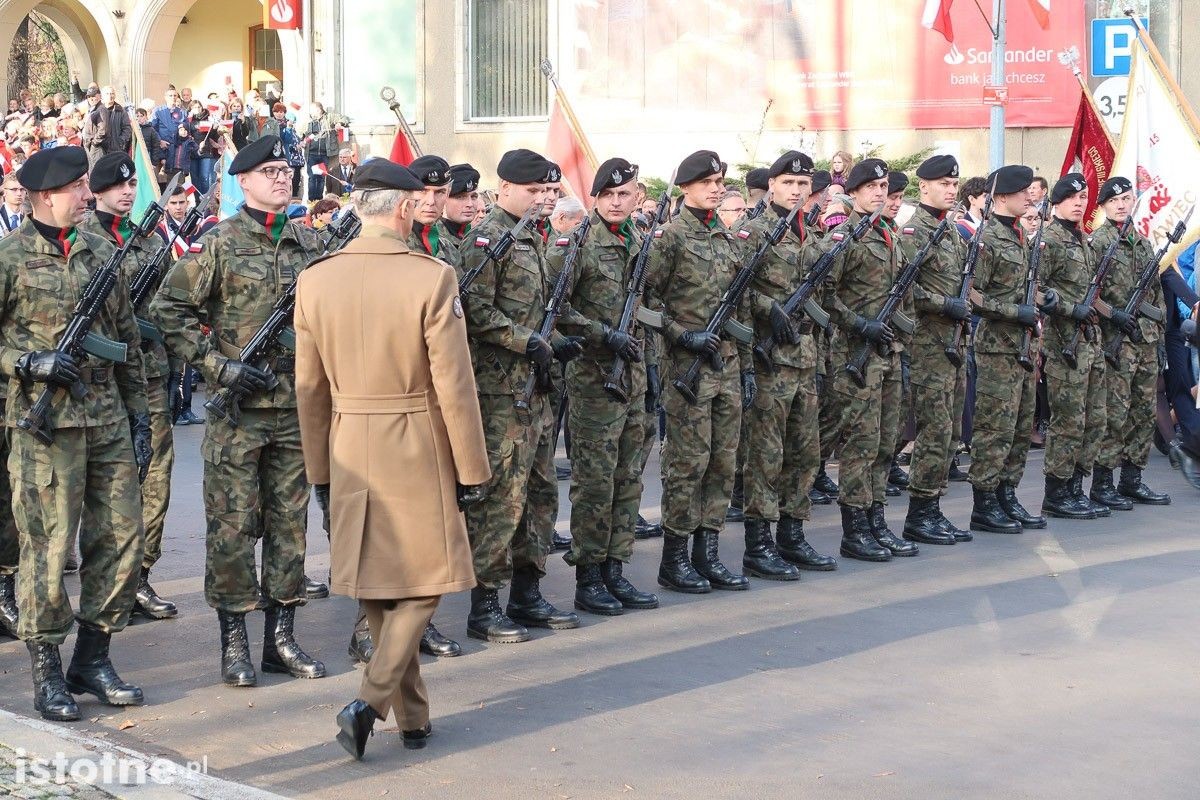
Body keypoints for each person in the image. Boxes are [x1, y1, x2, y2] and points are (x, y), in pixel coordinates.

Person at [291, 158, 490, 760]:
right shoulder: (430, 277)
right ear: (404, 207)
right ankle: (370, 700)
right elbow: (454, 384)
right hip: (415, 439)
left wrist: (319, 470)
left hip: (350, 437)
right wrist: (473, 468)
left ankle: (415, 717)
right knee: (431, 576)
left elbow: (309, 388)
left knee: (381, 586)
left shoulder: (316, 278)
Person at [151, 135, 327, 687]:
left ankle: (281, 637)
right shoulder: (220, 244)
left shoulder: (309, 245)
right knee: (230, 529)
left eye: (287, 170)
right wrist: (217, 367)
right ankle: (234, 640)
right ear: (243, 181)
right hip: (238, 414)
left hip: (295, 409)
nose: (282, 178)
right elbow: (168, 309)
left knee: (289, 527)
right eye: (270, 170)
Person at [1, 146, 150, 721]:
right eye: (77, 188)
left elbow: (127, 340)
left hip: (106, 414)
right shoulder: (10, 257)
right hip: (45, 425)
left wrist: (140, 416)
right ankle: (47, 670)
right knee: (48, 547)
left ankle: (93, 657)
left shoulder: (100, 250)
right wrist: (27, 360)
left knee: (120, 537)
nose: (87, 195)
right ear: (44, 196)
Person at [460, 149, 582, 642]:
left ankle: (527, 591)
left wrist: (553, 342)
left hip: (536, 389)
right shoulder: (487, 239)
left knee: (539, 493)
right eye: (534, 191)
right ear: (505, 187)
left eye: (548, 192)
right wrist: (525, 341)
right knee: (501, 499)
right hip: (499, 391)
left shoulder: (532, 238)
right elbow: (472, 309)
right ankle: (485, 602)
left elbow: (541, 313)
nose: (542, 199)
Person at [550, 157, 660, 615]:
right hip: (595, 377)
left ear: (637, 197)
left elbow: (650, 308)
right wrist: (602, 333)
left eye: (625, 194)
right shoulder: (576, 245)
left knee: (629, 477)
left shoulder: (639, 240)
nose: (617, 202)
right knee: (595, 483)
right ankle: (589, 575)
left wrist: (650, 362)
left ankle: (617, 568)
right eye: (608, 195)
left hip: (634, 375)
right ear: (595, 198)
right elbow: (556, 307)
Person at [644, 150, 751, 592]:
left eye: (720, 181)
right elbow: (646, 303)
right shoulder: (670, 238)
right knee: (688, 463)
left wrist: (744, 365)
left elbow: (739, 306)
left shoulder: (727, 239)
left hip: (725, 365)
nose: (716, 187)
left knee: (723, 463)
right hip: (687, 368)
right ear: (686, 187)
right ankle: (675, 558)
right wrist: (681, 335)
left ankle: (707, 552)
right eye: (707, 181)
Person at [79, 153, 178, 620]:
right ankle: (104, 581)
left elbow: (170, 304)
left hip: (148, 373)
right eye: (116, 186)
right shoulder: (85, 240)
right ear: (94, 191)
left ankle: (140, 575)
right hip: (94, 381)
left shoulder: (153, 241)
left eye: (132, 184)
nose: (126, 192)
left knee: (155, 475)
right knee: (100, 484)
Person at [741, 151, 836, 574]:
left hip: (805, 360)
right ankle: (759, 543)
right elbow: (732, 289)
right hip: (770, 360)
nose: (797, 192)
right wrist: (769, 307)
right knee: (767, 453)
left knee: (804, 452)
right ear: (773, 186)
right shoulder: (753, 230)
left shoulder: (811, 235)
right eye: (789, 184)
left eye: (803, 186)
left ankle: (792, 534)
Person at [820, 158, 916, 561]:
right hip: (855, 354)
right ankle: (854, 528)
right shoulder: (845, 238)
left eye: (884, 187)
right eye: (871, 187)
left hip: (887, 352)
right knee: (860, 445)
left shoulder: (888, 234)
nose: (880, 193)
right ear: (854, 192)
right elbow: (823, 293)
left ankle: (877, 521)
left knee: (883, 442)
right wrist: (859, 323)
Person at [967, 165, 1045, 533]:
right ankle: (984, 503)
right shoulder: (987, 239)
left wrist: (1045, 299)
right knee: (994, 428)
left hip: (1025, 348)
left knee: (1018, 428)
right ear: (1001, 197)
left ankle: (1007, 494)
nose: (1030, 198)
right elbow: (972, 293)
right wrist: (1017, 312)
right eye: (1022, 193)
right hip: (998, 348)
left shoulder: (1020, 236)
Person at [899, 155, 973, 545]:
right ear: (923, 186)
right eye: (943, 183)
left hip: (954, 344)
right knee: (935, 429)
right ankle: (919, 513)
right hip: (928, 346)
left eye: (953, 183)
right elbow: (906, 287)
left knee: (950, 432)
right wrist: (946, 305)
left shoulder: (952, 232)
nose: (950, 189)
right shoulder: (914, 232)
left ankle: (933, 508)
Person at [1090, 176, 1171, 506]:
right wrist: (1114, 317)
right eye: (1114, 201)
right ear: (1105, 206)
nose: (1122, 204)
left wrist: (1159, 329)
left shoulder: (1143, 241)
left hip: (1146, 340)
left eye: (1126, 198)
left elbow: (1156, 293)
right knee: (1115, 413)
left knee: (1143, 411)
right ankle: (1103, 482)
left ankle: (1132, 478)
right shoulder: (1098, 243)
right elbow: (1091, 294)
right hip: (1117, 340)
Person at [1038, 173, 1110, 520]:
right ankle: (1057, 490)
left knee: (1093, 419)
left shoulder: (1082, 238)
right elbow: (1036, 289)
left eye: (1084, 197)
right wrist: (1069, 308)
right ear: (1057, 202)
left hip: (1089, 342)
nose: (1080, 203)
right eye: (1073, 197)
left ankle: (1077, 486)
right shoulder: (1048, 239)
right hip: (1064, 342)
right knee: (1068, 421)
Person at [405, 155, 460, 268]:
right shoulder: (394, 245)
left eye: (439, 192)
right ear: (408, 192)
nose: (431, 201)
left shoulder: (449, 250)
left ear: (448, 194)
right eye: (423, 191)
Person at [151, 88, 191, 189]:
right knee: (160, 180)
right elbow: (153, 129)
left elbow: (186, 129)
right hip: (162, 149)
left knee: (178, 181)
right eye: (170, 95)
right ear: (165, 97)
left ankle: (179, 200)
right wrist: (160, 141)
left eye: (175, 96)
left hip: (177, 150)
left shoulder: (182, 112)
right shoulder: (158, 111)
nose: (173, 98)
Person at [82, 86, 131, 168]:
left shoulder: (121, 111)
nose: (110, 96)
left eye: (112, 93)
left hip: (115, 149)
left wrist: (120, 141)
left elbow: (127, 128)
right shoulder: (96, 109)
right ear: (102, 96)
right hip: (99, 148)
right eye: (107, 94)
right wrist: (93, 143)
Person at [441, 163, 482, 250]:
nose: (470, 204)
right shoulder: (434, 238)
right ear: (444, 199)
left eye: (473, 197)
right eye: (460, 197)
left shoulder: (480, 235)